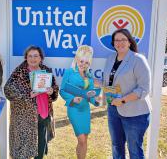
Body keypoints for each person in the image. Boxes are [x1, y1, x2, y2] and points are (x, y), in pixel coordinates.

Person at [103, 28, 152, 159]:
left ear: (130, 42)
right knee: (116, 146)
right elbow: (108, 82)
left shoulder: (138, 59)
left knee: (134, 150)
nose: (120, 43)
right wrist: (91, 81)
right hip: (113, 110)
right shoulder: (111, 58)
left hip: (135, 114)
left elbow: (144, 89)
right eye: (116, 40)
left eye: (123, 39)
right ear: (113, 43)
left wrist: (123, 100)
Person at [4, 46, 59, 159]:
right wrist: (27, 95)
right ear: (26, 58)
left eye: (36, 56)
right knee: (23, 151)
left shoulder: (46, 70)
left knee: (40, 149)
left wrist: (52, 91)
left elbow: (55, 88)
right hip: (24, 118)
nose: (33, 59)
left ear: (41, 58)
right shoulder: (20, 72)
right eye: (30, 56)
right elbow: (8, 90)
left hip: (43, 114)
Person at [60, 45, 100, 159]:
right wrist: (72, 99)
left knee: (84, 140)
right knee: (81, 139)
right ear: (77, 59)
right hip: (74, 108)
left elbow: (90, 94)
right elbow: (62, 90)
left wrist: (96, 100)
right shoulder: (69, 72)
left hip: (85, 109)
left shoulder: (89, 75)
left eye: (87, 62)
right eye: (81, 61)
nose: (83, 64)